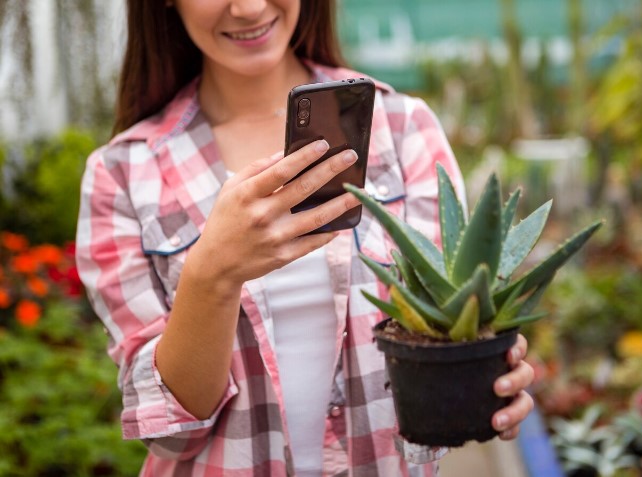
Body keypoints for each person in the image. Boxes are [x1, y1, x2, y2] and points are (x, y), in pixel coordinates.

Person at [75, 1, 536, 475]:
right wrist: (211, 274)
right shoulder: (123, 175)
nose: (249, 8)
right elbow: (170, 435)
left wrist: (486, 373)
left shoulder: (401, 129)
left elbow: (443, 328)